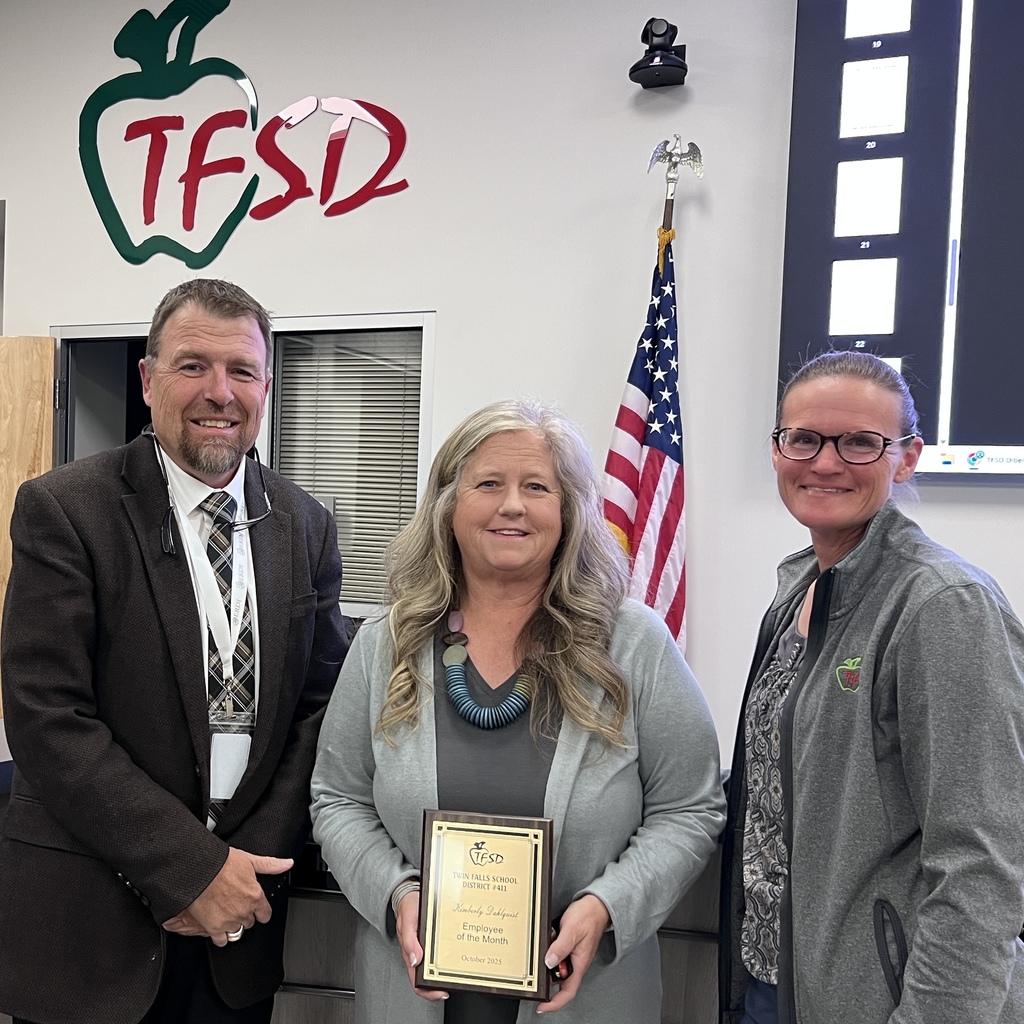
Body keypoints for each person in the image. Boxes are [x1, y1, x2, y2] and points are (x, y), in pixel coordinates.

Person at [0, 279, 349, 1024]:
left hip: (239, 927)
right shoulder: (65, 509)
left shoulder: (308, 524)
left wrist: (239, 872)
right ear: (148, 379)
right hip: (92, 933)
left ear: (266, 385)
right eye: (193, 365)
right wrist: (193, 869)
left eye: (242, 370)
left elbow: (321, 709)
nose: (219, 392)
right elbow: (46, 717)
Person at [310, 398, 726, 1024]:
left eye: (537, 486)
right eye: (488, 484)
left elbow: (689, 808)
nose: (512, 505)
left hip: (586, 1002)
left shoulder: (632, 644)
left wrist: (609, 905)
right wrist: (396, 894)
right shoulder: (385, 644)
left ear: (568, 512)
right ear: (449, 506)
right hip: (408, 999)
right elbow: (337, 798)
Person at [719, 350, 1024, 1024]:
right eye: (803, 438)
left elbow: (982, 865)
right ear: (777, 451)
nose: (825, 462)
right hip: (775, 982)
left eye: (860, 442)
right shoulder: (799, 590)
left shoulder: (944, 606)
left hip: (883, 1001)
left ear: (907, 458)